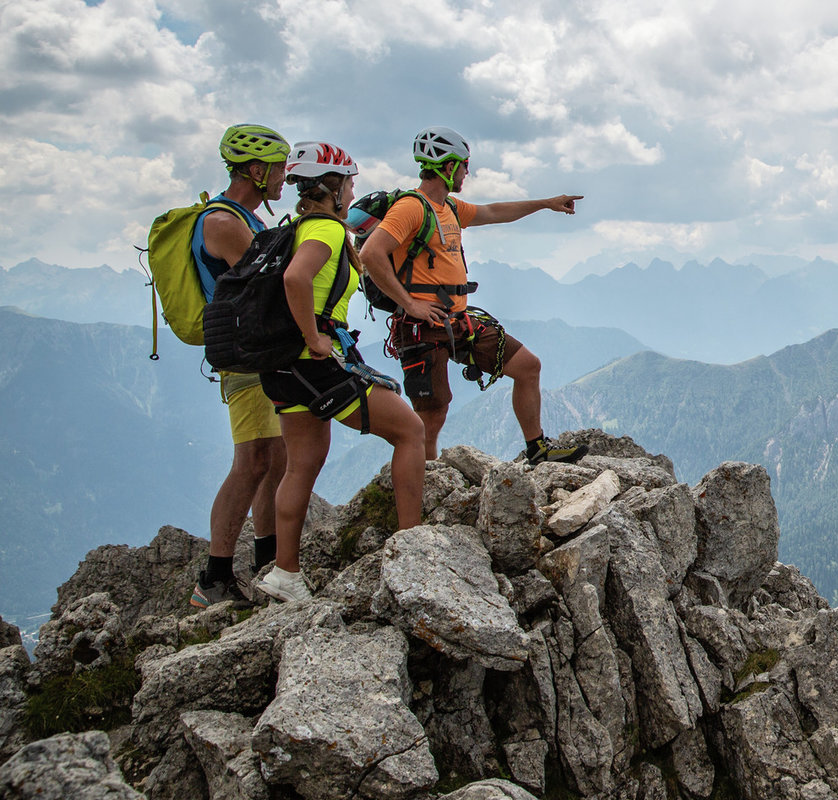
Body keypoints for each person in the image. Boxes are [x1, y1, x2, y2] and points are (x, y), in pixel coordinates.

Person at [254, 142, 426, 604]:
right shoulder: (326, 233)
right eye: (349, 182)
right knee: (410, 430)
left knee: (302, 464)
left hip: (282, 366)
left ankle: (285, 574)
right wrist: (314, 338)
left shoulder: (296, 228)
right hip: (315, 362)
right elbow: (296, 279)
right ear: (331, 185)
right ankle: (414, 548)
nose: (353, 190)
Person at [361, 127, 585, 465]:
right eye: (464, 165)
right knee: (431, 417)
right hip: (422, 323)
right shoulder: (411, 208)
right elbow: (371, 254)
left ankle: (537, 448)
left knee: (527, 366)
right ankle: (424, 484)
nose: (467, 171)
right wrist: (409, 304)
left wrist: (545, 204)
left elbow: (493, 212)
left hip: (457, 321)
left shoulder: (448, 207)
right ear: (448, 166)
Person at [192, 124, 291, 609]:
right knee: (252, 462)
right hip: (244, 356)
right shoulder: (223, 222)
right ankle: (213, 578)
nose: (283, 177)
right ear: (255, 170)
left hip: (260, 352)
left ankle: (266, 561)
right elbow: (263, 287)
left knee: (277, 458)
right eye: (276, 168)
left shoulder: (247, 220)